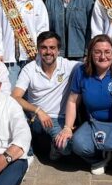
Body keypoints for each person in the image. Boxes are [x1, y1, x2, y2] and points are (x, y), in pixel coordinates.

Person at [56, 35, 112, 177]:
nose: (103, 56)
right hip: (96, 123)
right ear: (90, 54)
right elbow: (72, 101)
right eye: (97, 52)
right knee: (78, 144)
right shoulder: (81, 72)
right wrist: (67, 128)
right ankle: (99, 159)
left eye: (107, 52)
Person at [13, 31, 80, 160]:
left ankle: (53, 145)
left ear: (58, 50)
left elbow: (93, 64)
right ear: (38, 50)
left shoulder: (68, 66)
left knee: (68, 147)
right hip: (38, 119)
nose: (48, 52)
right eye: (44, 47)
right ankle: (43, 145)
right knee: (65, 146)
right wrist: (38, 111)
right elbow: (15, 97)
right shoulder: (30, 69)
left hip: (62, 119)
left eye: (52, 48)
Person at [0, 0, 50, 87]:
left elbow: (43, 30)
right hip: (9, 58)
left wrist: (40, 51)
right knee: (11, 93)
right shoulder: (3, 2)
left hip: (31, 57)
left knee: (30, 93)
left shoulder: (36, 2)